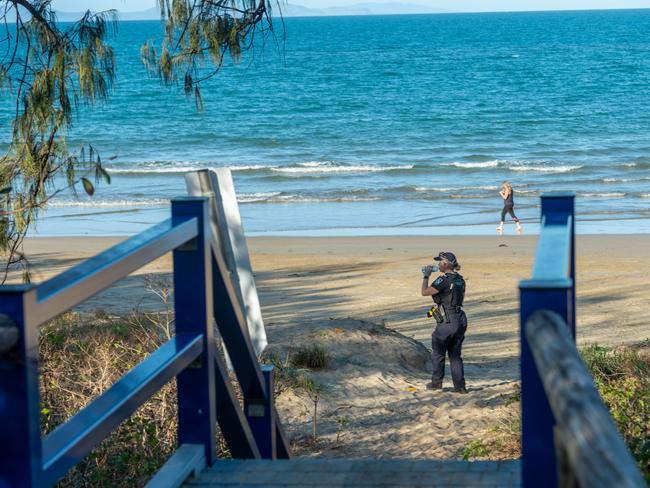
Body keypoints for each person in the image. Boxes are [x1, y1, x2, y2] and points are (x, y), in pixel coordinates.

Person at [421, 251, 468, 393]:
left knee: (438, 353)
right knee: (455, 356)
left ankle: (436, 384)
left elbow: (424, 292)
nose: (437, 265)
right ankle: (460, 388)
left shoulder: (443, 280)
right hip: (460, 318)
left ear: (445, 263)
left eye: (439, 262)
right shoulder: (460, 279)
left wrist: (426, 275)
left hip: (448, 321)